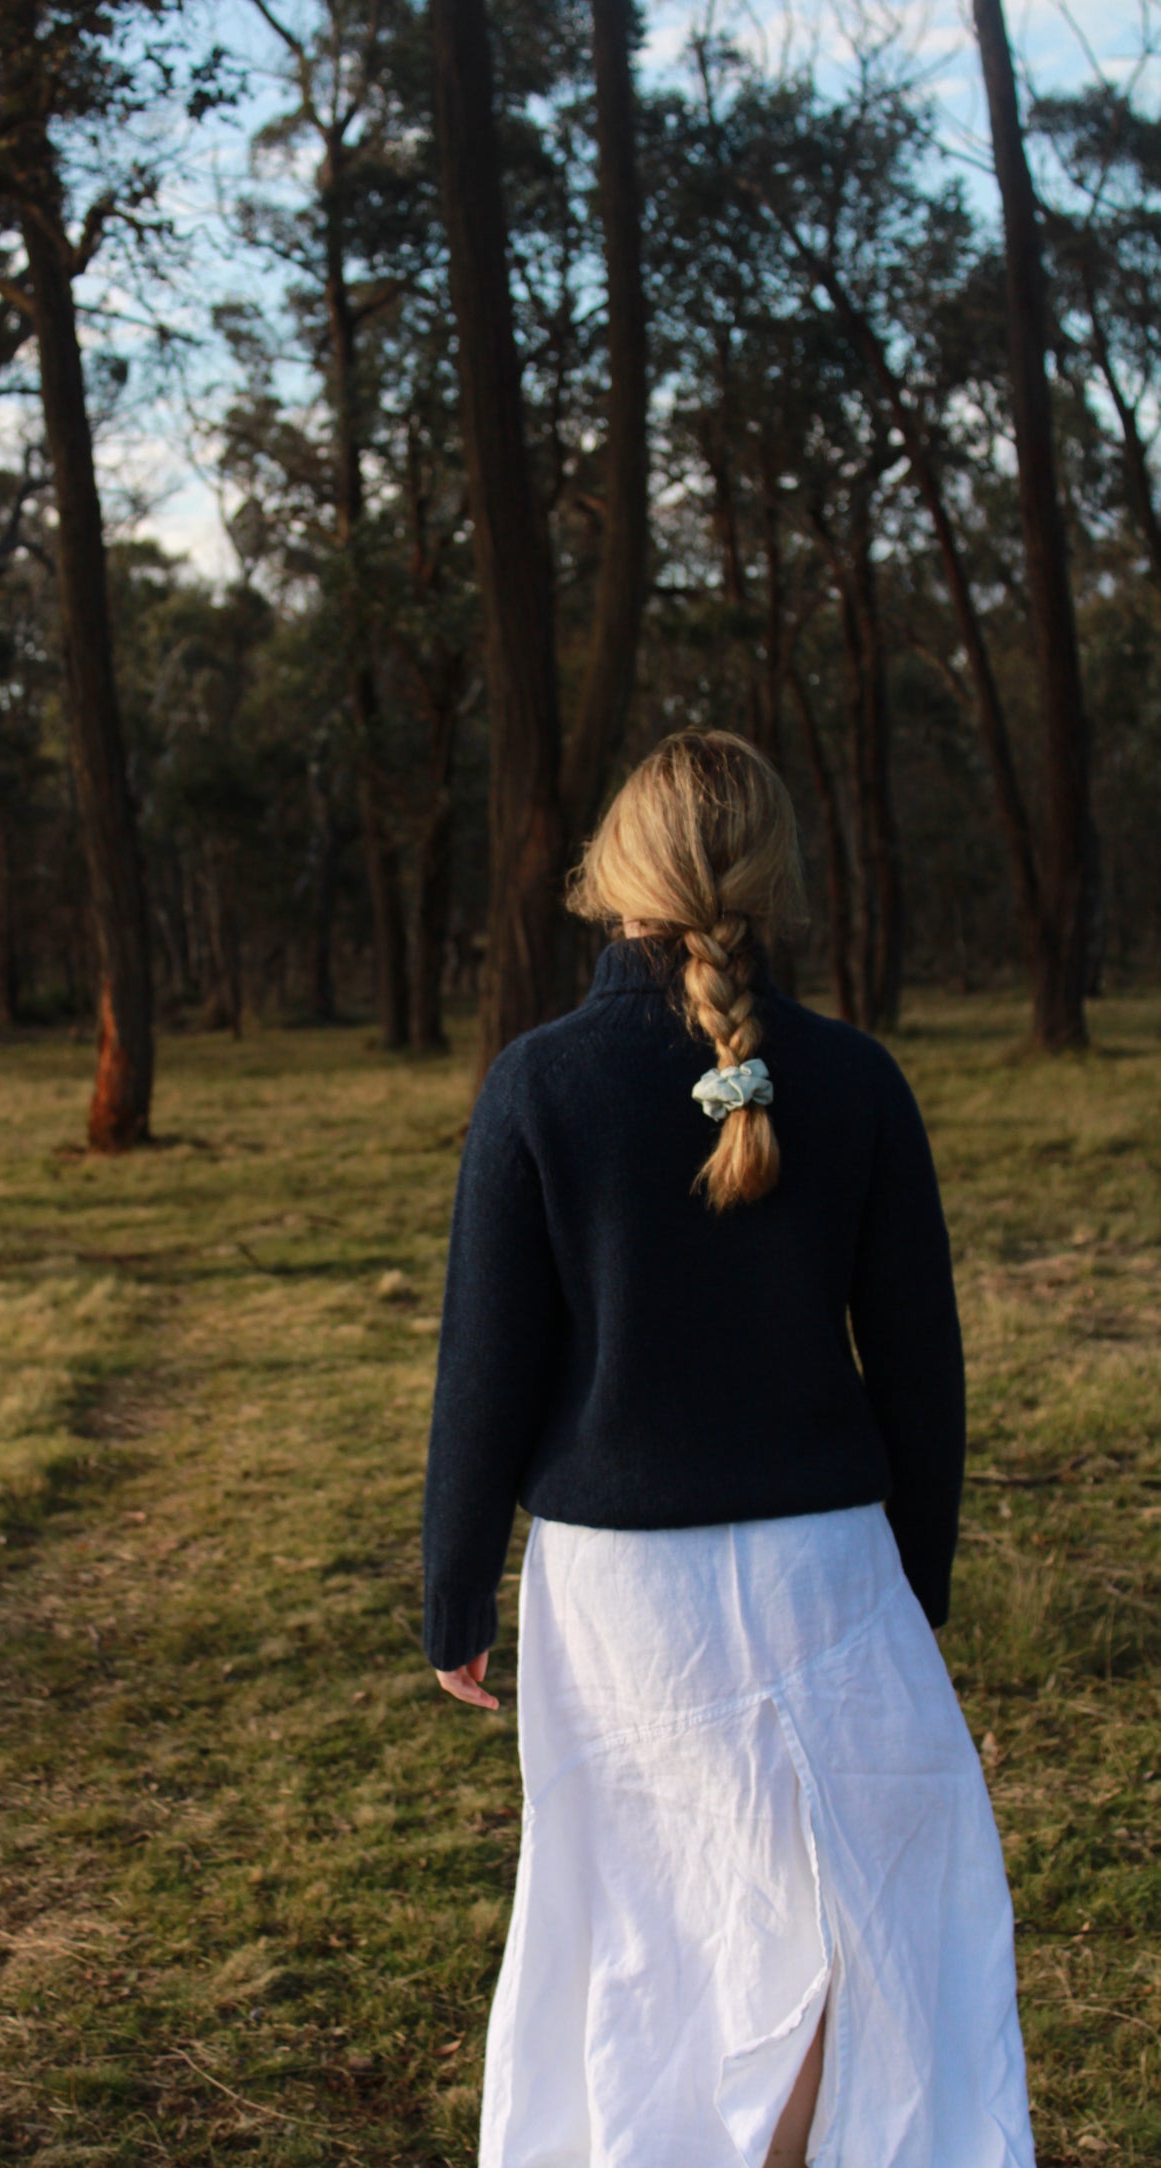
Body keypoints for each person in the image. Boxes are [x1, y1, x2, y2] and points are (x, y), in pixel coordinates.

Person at [421, 731, 1035, 2168]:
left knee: (644, 1910)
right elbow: (920, 1361)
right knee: (865, 1910)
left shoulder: (536, 1083)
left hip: (616, 1590)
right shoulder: (856, 1077)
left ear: (612, 874)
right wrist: (913, 1579)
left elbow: (485, 1369)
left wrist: (454, 1595)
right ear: (778, 869)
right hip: (827, 1567)